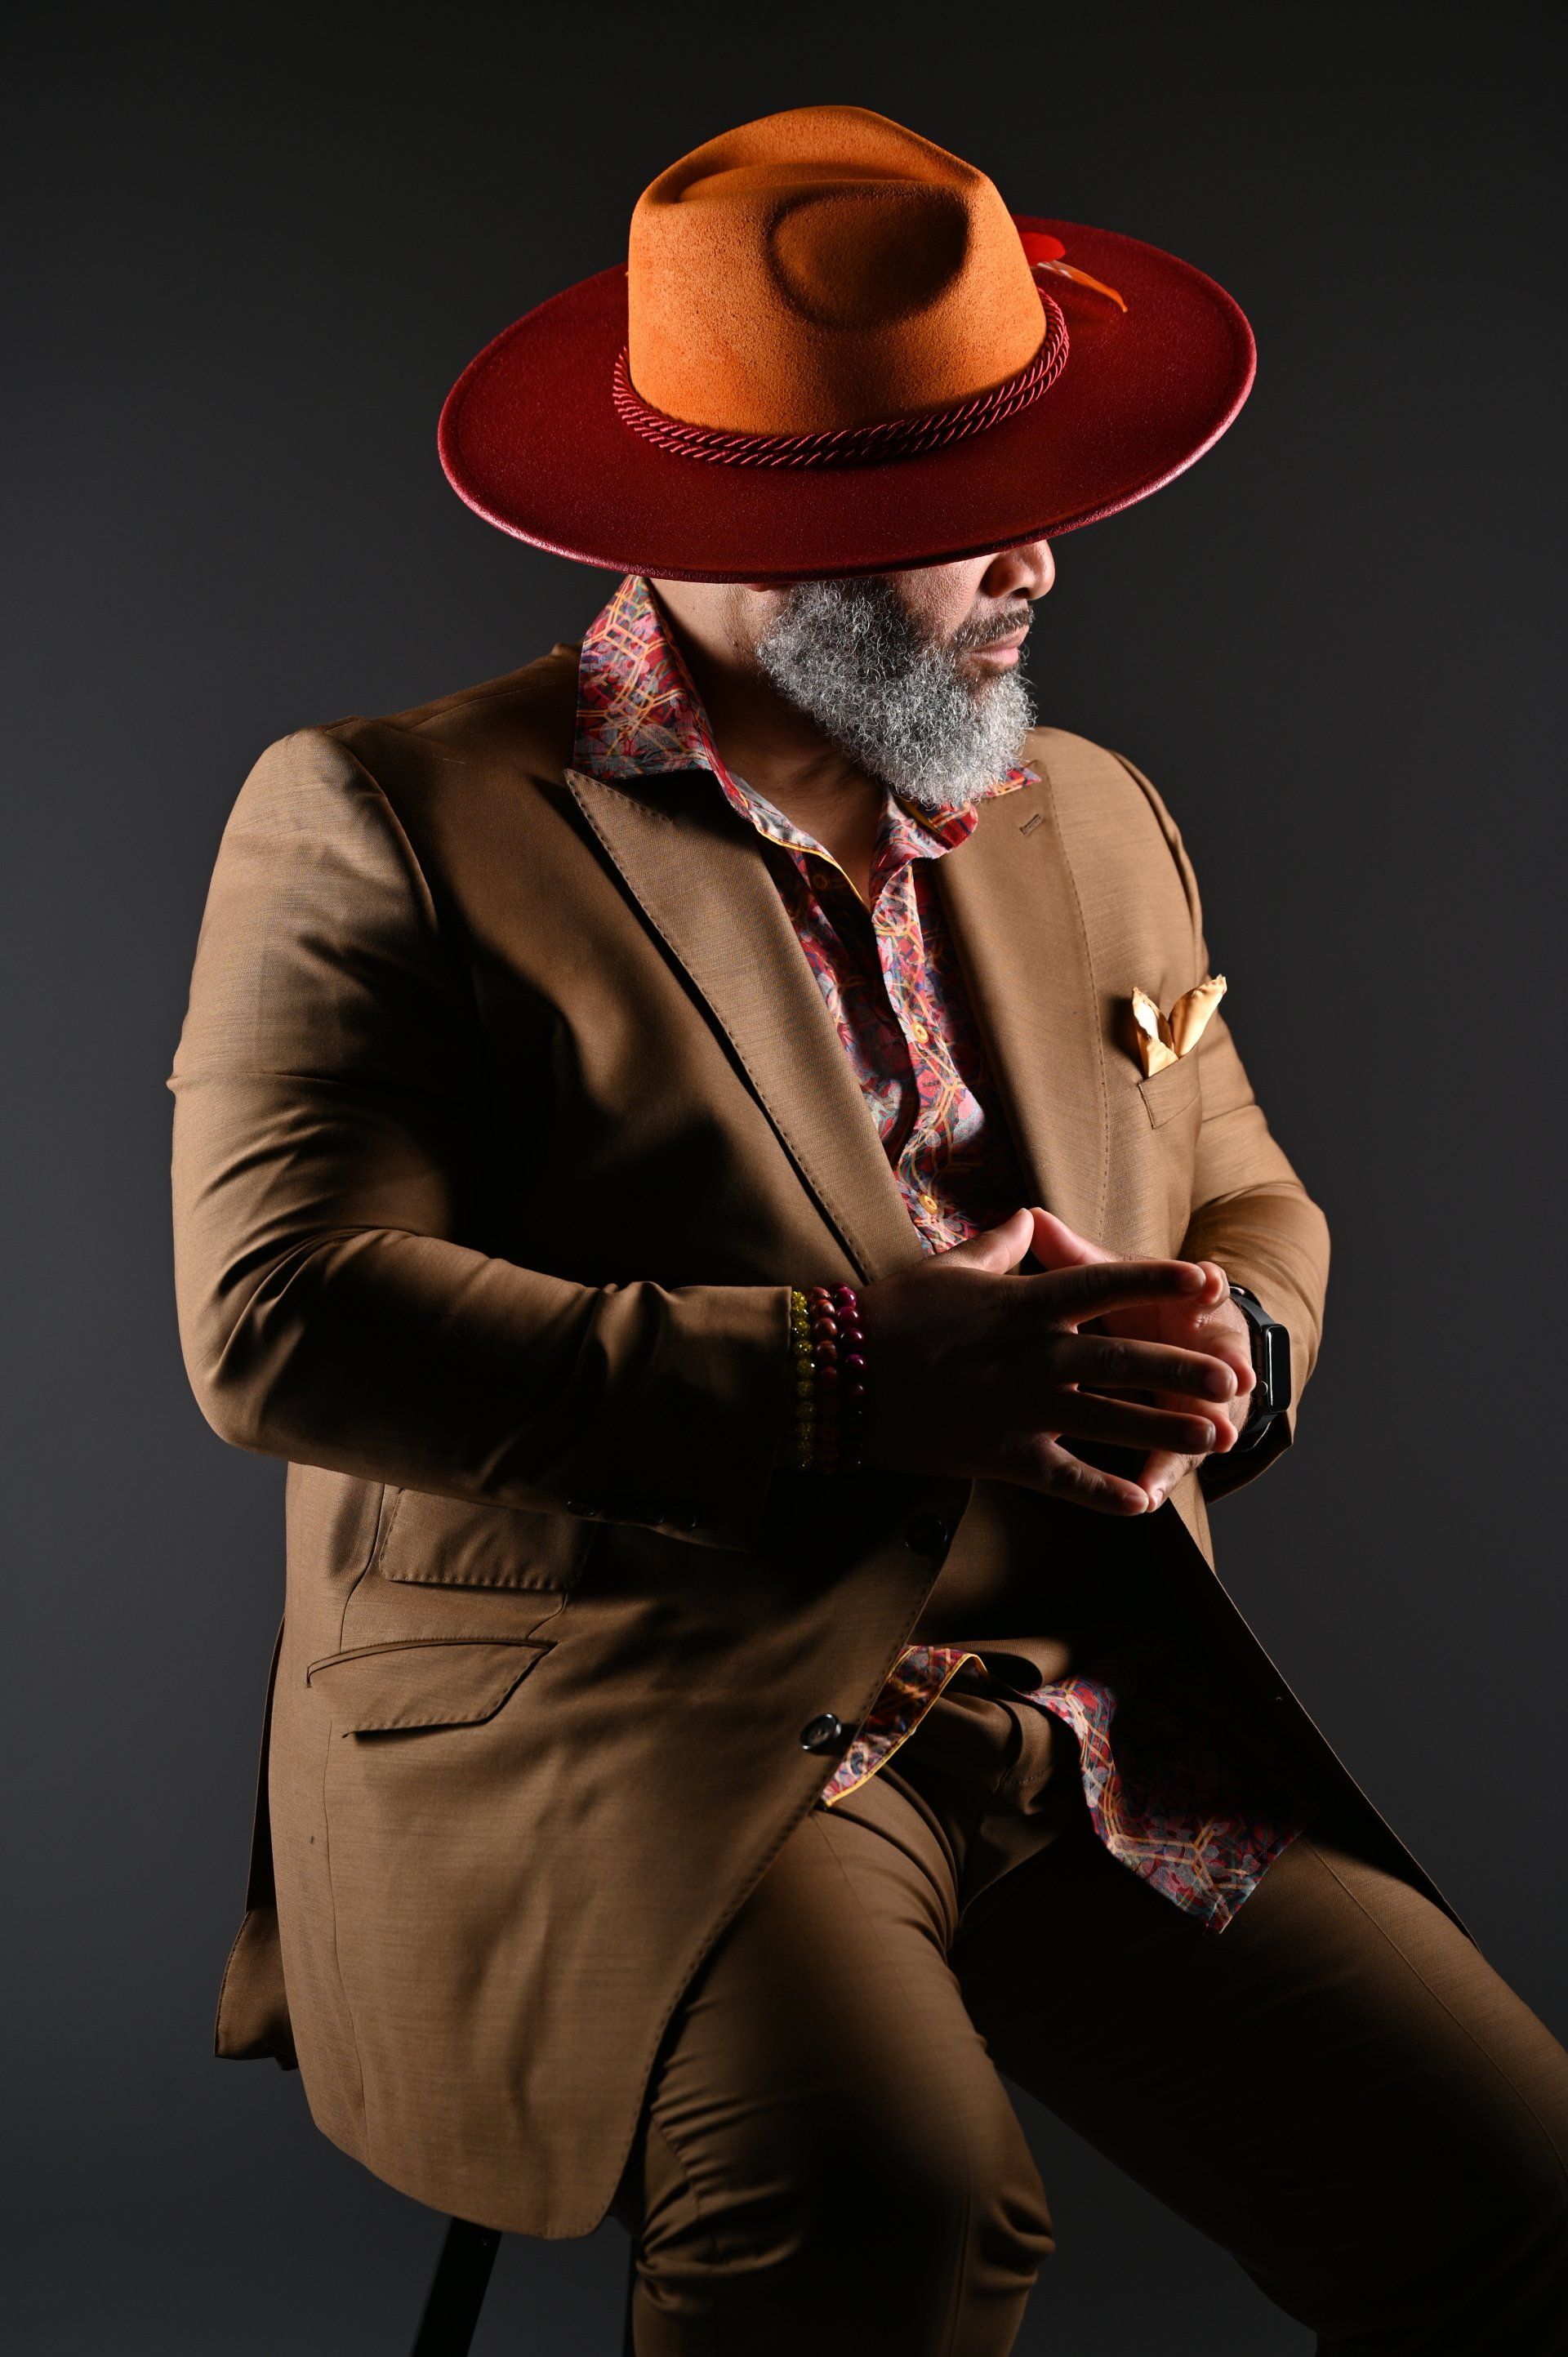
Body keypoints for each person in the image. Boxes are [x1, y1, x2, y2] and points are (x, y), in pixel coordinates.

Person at [169, 104, 1568, 2354]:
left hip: (1092, 1707)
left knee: (1521, 2193)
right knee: (883, 2206)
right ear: (747, 544)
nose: (1039, 568)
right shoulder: (390, 822)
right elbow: (281, 1322)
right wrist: (852, 1376)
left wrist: (1245, 1344)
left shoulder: (1088, 808)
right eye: (965, 523)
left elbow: (1242, 1176)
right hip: (650, 1724)